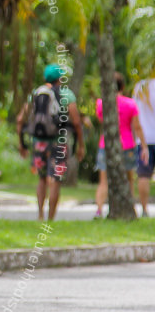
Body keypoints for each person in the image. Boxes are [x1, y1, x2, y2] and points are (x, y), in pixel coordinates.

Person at [16, 64, 84, 222]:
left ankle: (40, 215)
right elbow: (77, 122)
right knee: (55, 179)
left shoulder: (36, 93)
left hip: (38, 143)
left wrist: (22, 143)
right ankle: (51, 218)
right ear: (60, 79)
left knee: (41, 179)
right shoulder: (66, 94)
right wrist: (80, 145)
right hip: (59, 143)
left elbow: (20, 119)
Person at [95, 72, 149, 218]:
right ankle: (129, 206)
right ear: (122, 86)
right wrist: (143, 146)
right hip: (127, 145)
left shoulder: (101, 103)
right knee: (129, 179)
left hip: (106, 145)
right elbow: (137, 127)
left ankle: (99, 210)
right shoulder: (130, 103)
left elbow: (102, 122)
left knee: (104, 181)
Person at [133, 76, 155, 217]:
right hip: (144, 139)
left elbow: (133, 112)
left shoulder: (140, 86)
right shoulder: (141, 86)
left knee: (144, 174)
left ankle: (145, 209)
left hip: (143, 138)